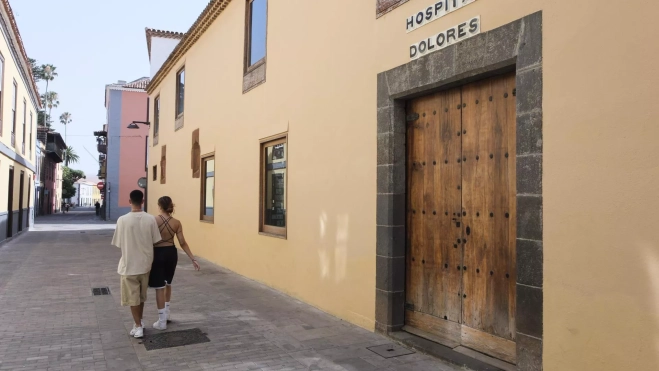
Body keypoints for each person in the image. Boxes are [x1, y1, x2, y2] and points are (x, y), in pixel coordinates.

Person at [111, 190, 161, 338]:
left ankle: (138, 325)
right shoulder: (151, 219)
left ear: (129, 201)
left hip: (129, 264)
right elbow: (155, 240)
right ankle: (139, 322)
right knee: (141, 297)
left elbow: (119, 243)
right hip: (145, 264)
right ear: (143, 201)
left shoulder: (122, 220)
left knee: (133, 299)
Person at [149, 196, 200, 330]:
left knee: (159, 286)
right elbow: (182, 242)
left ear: (159, 206)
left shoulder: (153, 220)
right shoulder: (177, 222)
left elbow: (148, 239)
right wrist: (193, 258)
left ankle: (161, 321)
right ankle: (167, 313)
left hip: (157, 253)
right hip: (171, 253)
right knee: (168, 283)